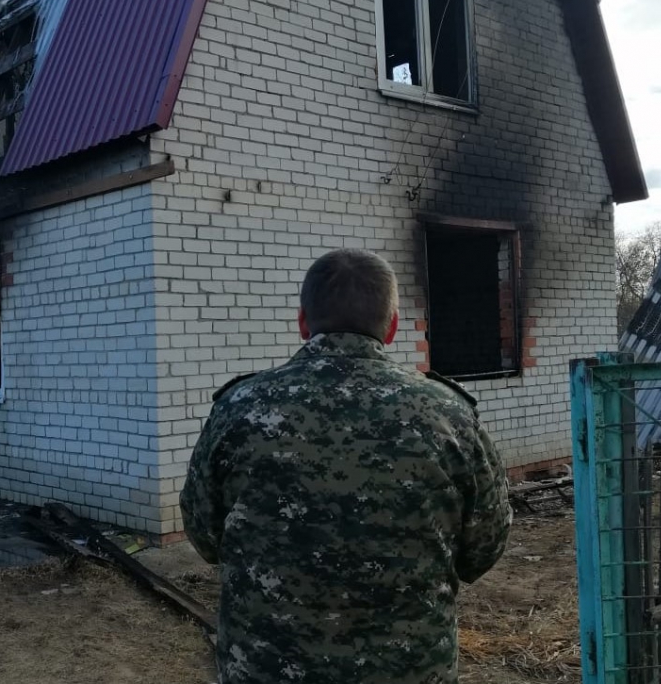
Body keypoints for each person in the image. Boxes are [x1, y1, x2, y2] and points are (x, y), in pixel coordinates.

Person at [180, 248, 512, 684]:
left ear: (303, 322)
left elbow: (205, 537)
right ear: (391, 327)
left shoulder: (238, 409)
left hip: (268, 668)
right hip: (409, 670)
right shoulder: (448, 416)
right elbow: (484, 548)